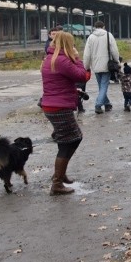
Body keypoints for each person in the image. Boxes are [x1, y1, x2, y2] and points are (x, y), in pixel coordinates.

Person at [40, 31, 90, 195]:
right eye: (73, 44)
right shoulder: (62, 60)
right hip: (59, 107)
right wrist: (77, 58)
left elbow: (57, 83)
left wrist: (72, 90)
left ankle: (60, 174)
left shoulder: (50, 58)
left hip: (52, 105)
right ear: (68, 44)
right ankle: (57, 182)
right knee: (74, 139)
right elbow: (82, 76)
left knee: (66, 141)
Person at [82, 21, 120, 114]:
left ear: (95, 27)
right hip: (107, 65)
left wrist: (86, 66)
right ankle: (98, 105)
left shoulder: (90, 37)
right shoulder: (108, 35)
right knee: (103, 86)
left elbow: (87, 54)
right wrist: (117, 61)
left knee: (101, 86)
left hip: (95, 65)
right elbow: (114, 50)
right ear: (104, 26)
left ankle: (107, 104)